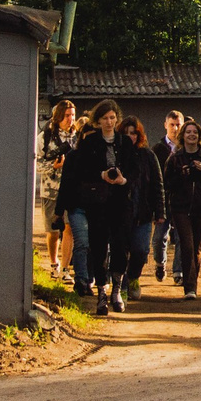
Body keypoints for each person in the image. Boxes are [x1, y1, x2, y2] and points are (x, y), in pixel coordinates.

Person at [59, 101, 135, 313]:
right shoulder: (90, 142)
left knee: (120, 247)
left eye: (112, 118)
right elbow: (80, 171)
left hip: (120, 202)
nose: (109, 122)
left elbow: (133, 172)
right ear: (98, 120)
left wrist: (123, 180)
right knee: (99, 247)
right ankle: (102, 292)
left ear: (116, 119)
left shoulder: (125, 143)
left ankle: (117, 290)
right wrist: (100, 175)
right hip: (97, 203)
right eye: (105, 118)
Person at [164, 120, 201, 300]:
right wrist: (181, 175)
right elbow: (167, 184)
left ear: (199, 136)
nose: (191, 135)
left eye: (194, 132)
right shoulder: (175, 158)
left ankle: (192, 281)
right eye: (188, 132)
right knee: (187, 245)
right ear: (183, 135)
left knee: (196, 247)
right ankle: (190, 288)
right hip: (180, 208)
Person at [117, 115, 168, 306]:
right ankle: (120, 286)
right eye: (126, 133)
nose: (130, 136)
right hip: (121, 213)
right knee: (120, 251)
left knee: (140, 250)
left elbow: (158, 184)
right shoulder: (116, 155)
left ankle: (133, 278)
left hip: (143, 213)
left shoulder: (148, 156)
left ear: (139, 135)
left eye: (133, 133)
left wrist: (160, 212)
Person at [37, 98, 80, 280]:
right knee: (53, 231)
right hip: (51, 190)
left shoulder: (78, 137)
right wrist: (53, 167)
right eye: (67, 115)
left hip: (72, 191)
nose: (70, 119)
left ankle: (64, 268)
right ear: (58, 117)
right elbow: (36, 164)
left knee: (69, 229)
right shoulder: (45, 137)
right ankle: (54, 264)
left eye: (72, 115)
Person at [149, 109, 186, 281]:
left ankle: (178, 271)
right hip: (163, 200)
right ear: (165, 125)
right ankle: (160, 263)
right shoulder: (157, 149)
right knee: (159, 238)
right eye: (172, 125)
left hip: (181, 200)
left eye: (178, 124)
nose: (175, 128)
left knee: (180, 237)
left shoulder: (187, 148)